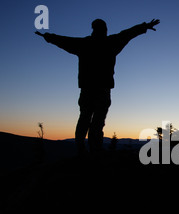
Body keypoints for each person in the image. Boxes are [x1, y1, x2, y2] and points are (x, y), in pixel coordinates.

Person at [36, 18, 160, 155]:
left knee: (85, 118)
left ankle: (82, 149)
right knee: (97, 120)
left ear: (93, 29)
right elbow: (128, 33)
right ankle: (95, 149)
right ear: (105, 29)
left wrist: (47, 37)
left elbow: (64, 41)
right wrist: (144, 26)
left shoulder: (85, 44)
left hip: (88, 89)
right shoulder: (110, 43)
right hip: (102, 89)